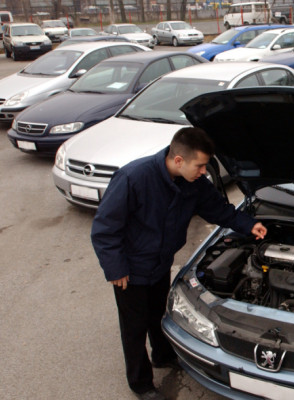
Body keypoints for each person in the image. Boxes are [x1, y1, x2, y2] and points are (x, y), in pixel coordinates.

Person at [91, 127, 267, 400]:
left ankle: (162, 355)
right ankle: (141, 384)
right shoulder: (133, 178)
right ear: (178, 160)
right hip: (131, 271)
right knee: (134, 327)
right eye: (199, 165)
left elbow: (219, 210)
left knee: (158, 314)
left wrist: (249, 224)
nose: (203, 171)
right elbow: (105, 228)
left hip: (160, 263)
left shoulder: (194, 183)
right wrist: (116, 269)